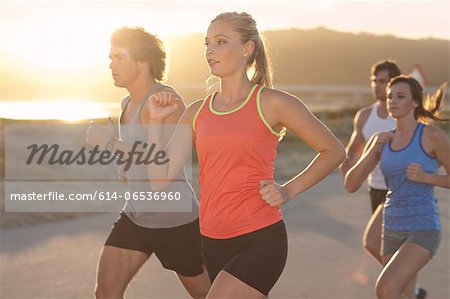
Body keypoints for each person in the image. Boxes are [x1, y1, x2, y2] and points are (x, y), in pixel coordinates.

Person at [146, 12, 346, 298]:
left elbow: (333, 150)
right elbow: (158, 178)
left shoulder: (272, 103)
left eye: (221, 42)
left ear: (246, 48)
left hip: (259, 237)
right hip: (211, 240)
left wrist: (288, 190)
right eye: (207, 43)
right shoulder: (197, 112)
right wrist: (154, 124)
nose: (210, 51)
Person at [86, 27, 210, 299]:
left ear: (142, 61)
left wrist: (110, 142)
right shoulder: (127, 103)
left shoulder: (167, 102)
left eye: (119, 57)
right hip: (136, 214)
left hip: (173, 219)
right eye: (110, 57)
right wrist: (124, 166)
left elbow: (162, 164)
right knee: (106, 292)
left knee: (209, 295)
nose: (111, 64)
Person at [344, 75, 449, 299]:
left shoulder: (431, 136)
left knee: (386, 288)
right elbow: (351, 184)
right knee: (405, 294)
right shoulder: (381, 140)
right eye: (391, 96)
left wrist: (427, 177)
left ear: (415, 102)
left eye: (400, 96)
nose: (392, 100)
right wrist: (372, 151)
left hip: (423, 226)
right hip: (391, 227)